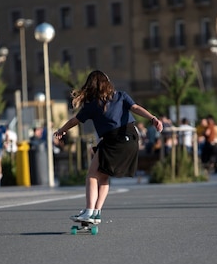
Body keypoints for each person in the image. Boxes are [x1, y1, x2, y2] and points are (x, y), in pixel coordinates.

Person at [54, 70, 163, 224]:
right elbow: (136, 108)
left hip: (113, 140)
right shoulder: (121, 96)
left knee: (92, 175)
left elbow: (74, 121)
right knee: (103, 176)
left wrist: (61, 131)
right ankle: (96, 212)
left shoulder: (92, 105)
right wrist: (153, 118)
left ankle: (89, 211)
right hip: (131, 138)